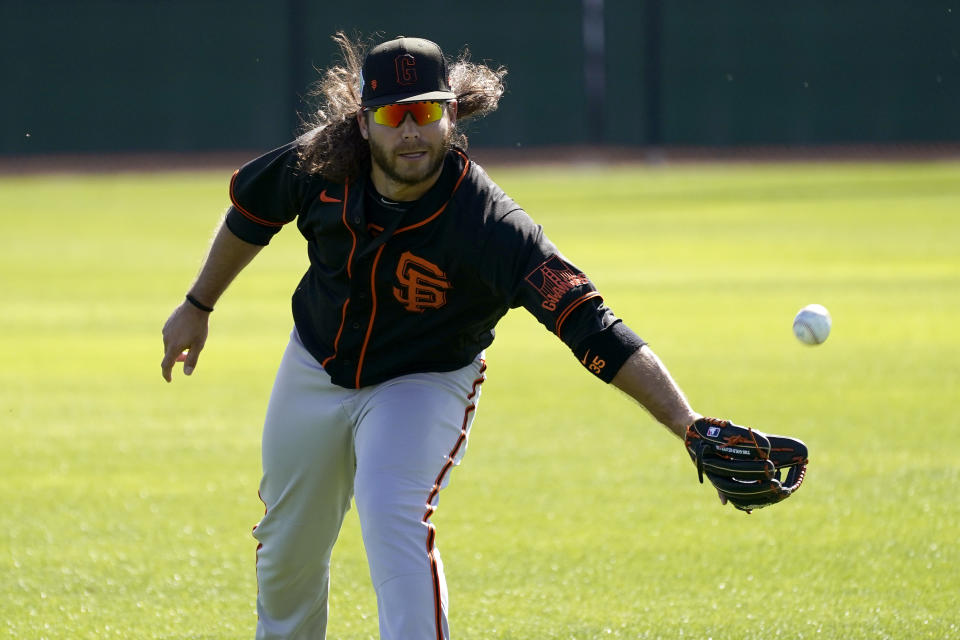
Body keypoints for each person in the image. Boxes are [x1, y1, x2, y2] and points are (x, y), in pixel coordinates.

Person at [161, 33, 701, 640]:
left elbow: (589, 323)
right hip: (315, 364)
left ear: (453, 115)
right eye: (395, 115)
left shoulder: (491, 226)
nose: (412, 131)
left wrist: (689, 424)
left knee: (392, 514)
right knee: (289, 542)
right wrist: (197, 304)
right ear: (364, 123)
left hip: (423, 380)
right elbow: (251, 216)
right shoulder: (321, 163)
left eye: (429, 111)